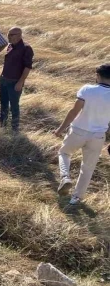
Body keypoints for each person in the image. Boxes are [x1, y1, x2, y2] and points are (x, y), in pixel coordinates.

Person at [54, 63, 110, 207]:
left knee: (64, 153)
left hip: (78, 130)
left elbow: (73, 112)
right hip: (98, 136)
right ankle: (76, 199)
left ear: (98, 76)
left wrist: (60, 129)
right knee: (88, 168)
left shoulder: (87, 89)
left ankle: (65, 177)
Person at [0, 27, 33, 131]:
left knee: (14, 106)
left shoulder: (26, 48)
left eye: (12, 35)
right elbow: (6, 64)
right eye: (8, 34)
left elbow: (27, 67)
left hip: (15, 82)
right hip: (4, 80)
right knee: (3, 104)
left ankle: (15, 128)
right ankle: (2, 125)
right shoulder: (9, 46)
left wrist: (20, 82)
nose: (9, 37)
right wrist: (1, 77)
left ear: (19, 35)